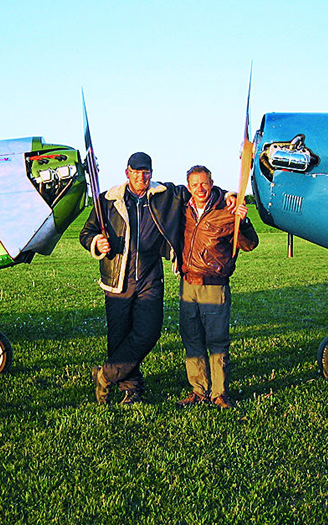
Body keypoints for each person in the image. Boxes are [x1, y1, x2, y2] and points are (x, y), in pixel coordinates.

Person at [80, 151, 188, 404]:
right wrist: (97, 242)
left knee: (149, 332)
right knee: (119, 337)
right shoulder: (107, 200)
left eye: (146, 171)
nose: (142, 176)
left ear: (151, 173)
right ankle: (131, 388)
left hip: (150, 277)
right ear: (127, 172)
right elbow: (87, 232)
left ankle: (105, 375)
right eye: (136, 171)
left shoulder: (165, 195)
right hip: (117, 278)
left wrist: (228, 195)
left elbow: (198, 187)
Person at [177, 165, 258, 409]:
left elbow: (250, 244)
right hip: (188, 284)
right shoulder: (183, 209)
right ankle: (199, 390)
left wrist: (242, 222)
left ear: (212, 183)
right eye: (195, 185)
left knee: (217, 340)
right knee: (192, 339)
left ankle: (219, 392)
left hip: (215, 285)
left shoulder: (228, 209)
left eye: (204, 183)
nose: (200, 189)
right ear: (188, 187)